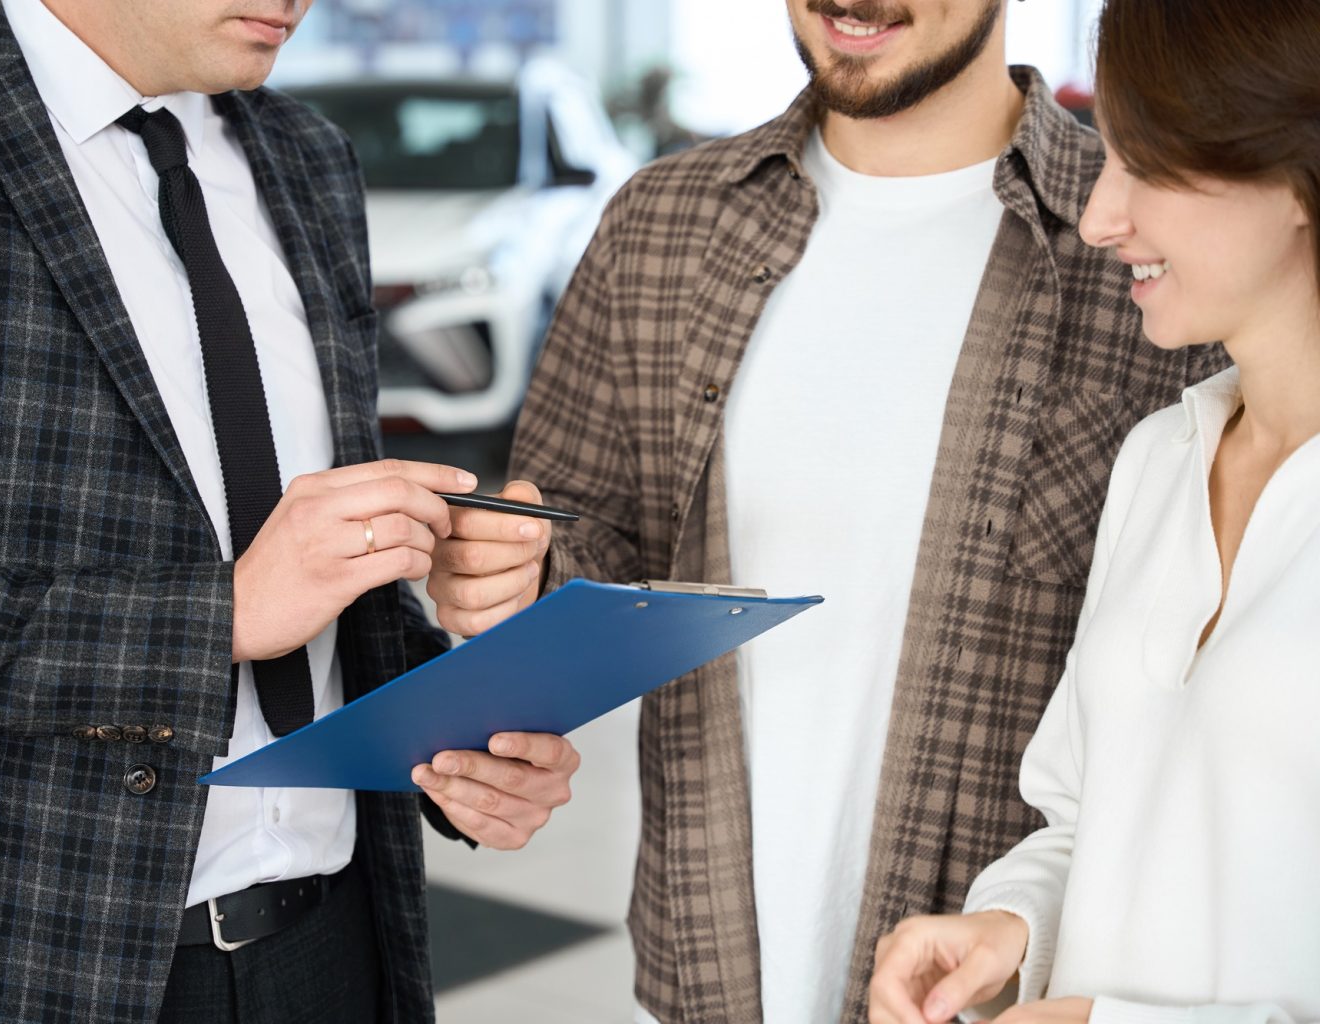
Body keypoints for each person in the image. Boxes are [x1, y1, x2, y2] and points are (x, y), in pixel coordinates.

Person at [425, 0, 1230, 1020]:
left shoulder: (1143, 246)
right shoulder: (659, 224)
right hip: (703, 970)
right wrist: (501, 579)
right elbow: (575, 555)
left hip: (1005, 987)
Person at [0, 0, 582, 1021]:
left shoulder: (306, 153)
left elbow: (306, 587)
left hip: (329, 941)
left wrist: (453, 740)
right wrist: (218, 617)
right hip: (0, 964)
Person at [869, 0, 1320, 1020]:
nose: (1100, 216)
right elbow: (1086, 814)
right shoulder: (1161, 459)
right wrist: (1016, 928)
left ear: (1297, 171)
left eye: (1146, 164)